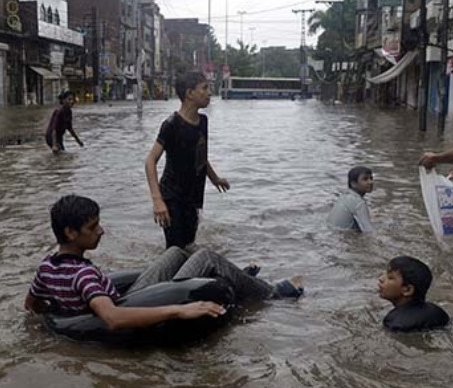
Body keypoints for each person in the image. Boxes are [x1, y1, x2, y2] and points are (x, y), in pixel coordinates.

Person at [24, 196, 304, 329]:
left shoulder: (47, 267)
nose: (101, 231)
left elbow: (31, 305)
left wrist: (57, 311)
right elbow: (111, 317)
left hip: (121, 295)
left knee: (176, 252)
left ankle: (234, 278)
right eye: (93, 227)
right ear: (71, 233)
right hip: (130, 303)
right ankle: (271, 294)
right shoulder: (83, 276)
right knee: (206, 256)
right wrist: (177, 311)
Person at [144, 70, 230, 249]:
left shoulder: (203, 121)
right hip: (171, 196)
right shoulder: (171, 125)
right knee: (175, 250)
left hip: (193, 196)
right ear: (189, 93)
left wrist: (215, 179)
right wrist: (157, 200)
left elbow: (200, 157)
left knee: (189, 245)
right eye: (204, 88)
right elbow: (150, 161)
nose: (209, 93)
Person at [378, 256, 450, 332]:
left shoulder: (395, 323)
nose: (381, 279)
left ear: (408, 290)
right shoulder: (437, 312)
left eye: (390, 278)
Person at [327, 165, 375, 232]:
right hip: (341, 237)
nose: (370, 182)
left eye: (371, 178)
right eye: (365, 179)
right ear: (353, 184)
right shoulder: (358, 202)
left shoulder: (344, 196)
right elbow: (368, 230)